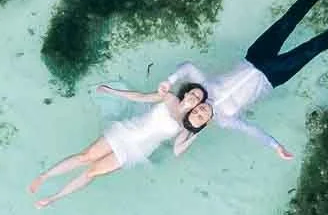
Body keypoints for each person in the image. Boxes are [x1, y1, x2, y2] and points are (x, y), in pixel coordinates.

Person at [168, 0, 328, 160]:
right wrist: (276, 146)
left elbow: (187, 67)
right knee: (311, 49)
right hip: (271, 77)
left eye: (195, 111)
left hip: (254, 56)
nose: (200, 111)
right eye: (200, 117)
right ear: (206, 123)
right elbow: (253, 131)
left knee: (287, 21)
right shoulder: (226, 120)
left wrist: (169, 82)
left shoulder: (204, 88)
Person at [28, 82, 213, 208]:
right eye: (193, 93)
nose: (194, 97)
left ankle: (54, 198)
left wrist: (199, 130)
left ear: (197, 106)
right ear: (186, 92)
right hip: (126, 131)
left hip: (137, 150)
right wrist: (112, 91)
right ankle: (45, 176)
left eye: (198, 99)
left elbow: (178, 150)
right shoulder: (169, 98)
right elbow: (140, 97)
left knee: (92, 172)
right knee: (86, 156)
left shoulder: (184, 126)